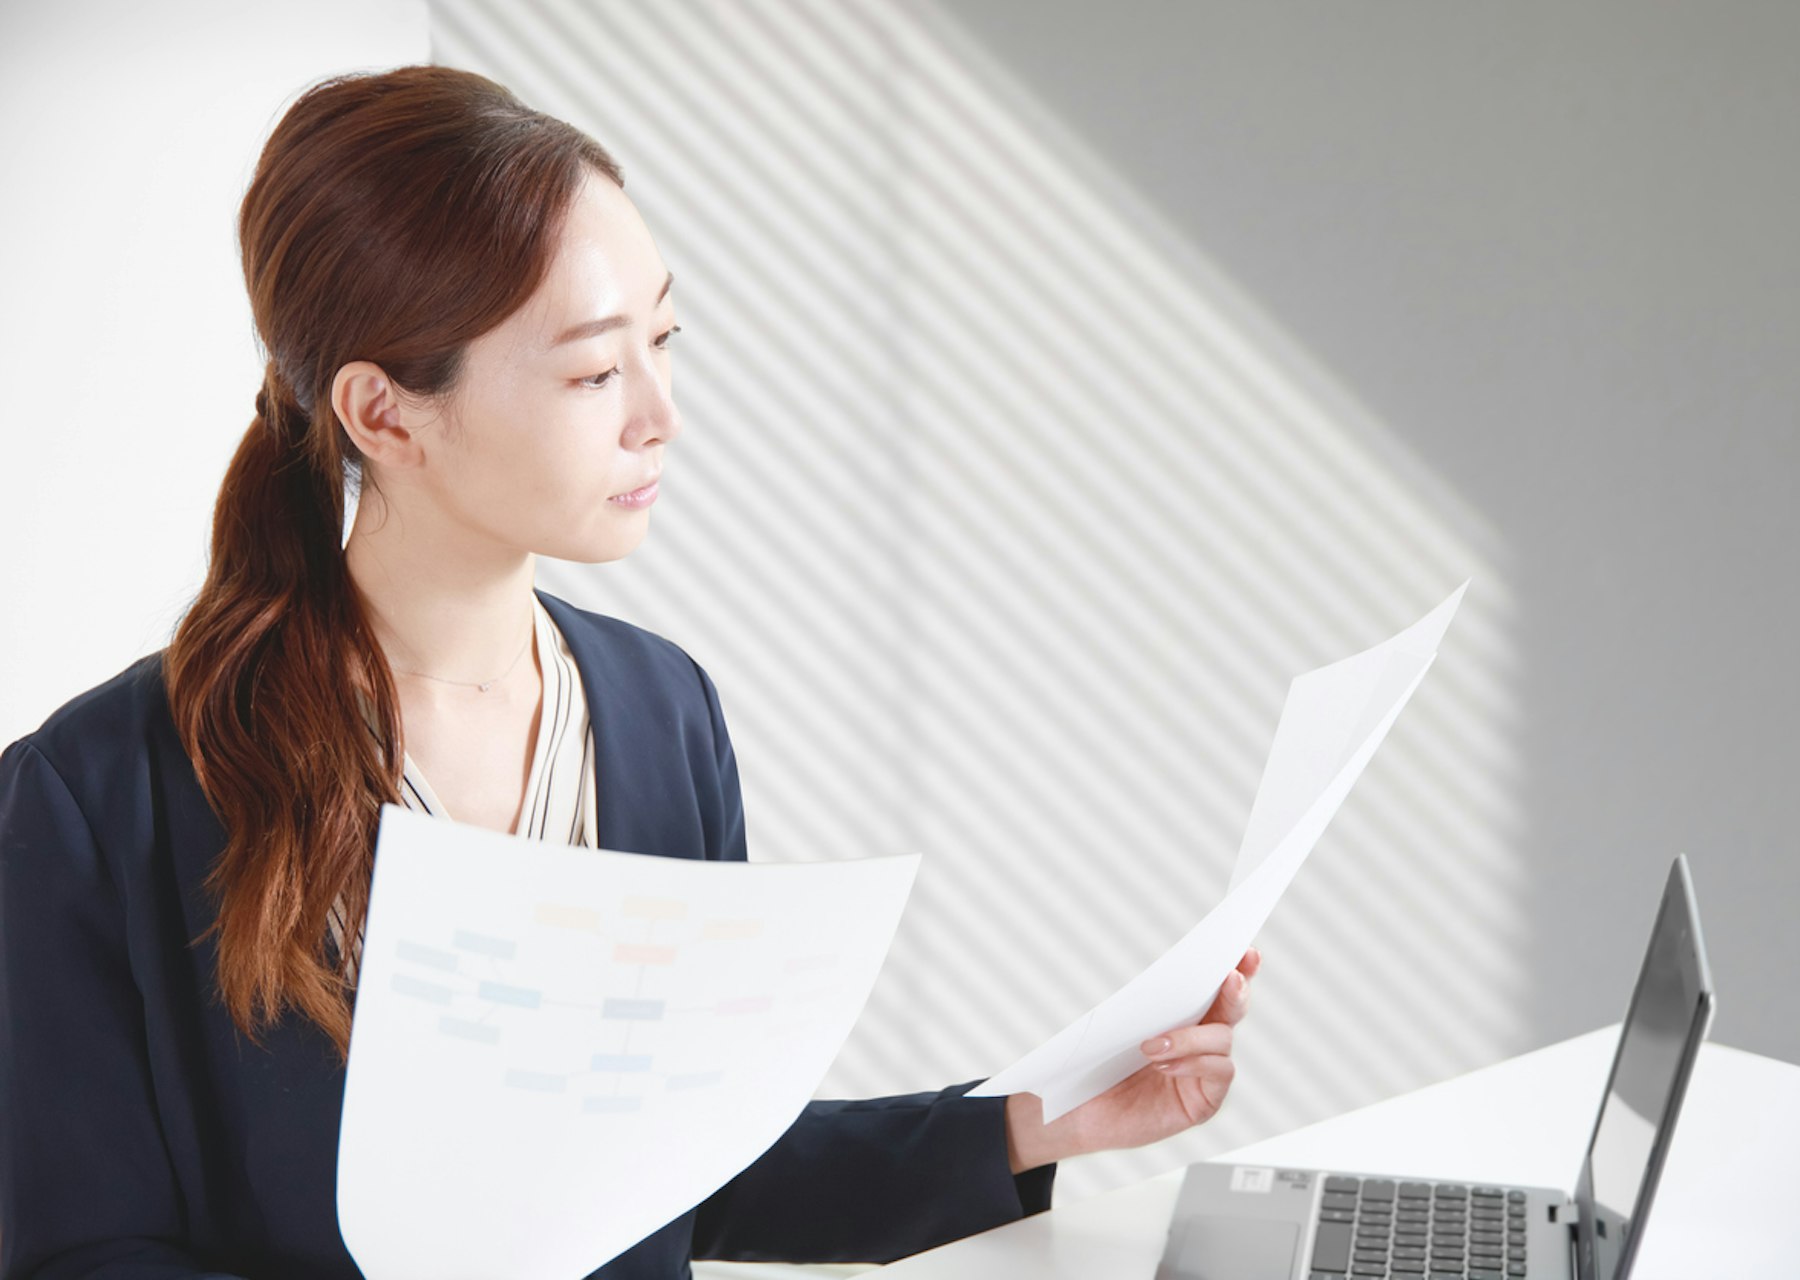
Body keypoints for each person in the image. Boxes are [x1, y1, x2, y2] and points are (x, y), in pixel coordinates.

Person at [0, 64, 1261, 1279]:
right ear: (384, 412)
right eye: (598, 369)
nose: (660, 412)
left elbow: (696, 1166)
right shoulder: (94, 799)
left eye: (665, 338)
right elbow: (77, 1251)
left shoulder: (662, 714)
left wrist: (1033, 1118)